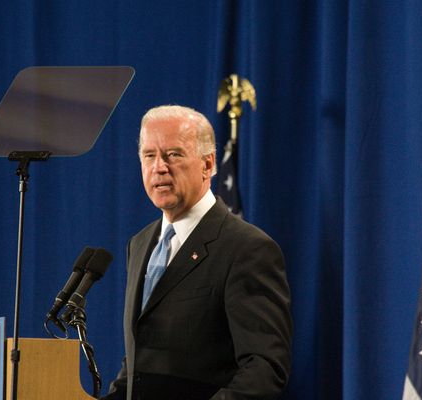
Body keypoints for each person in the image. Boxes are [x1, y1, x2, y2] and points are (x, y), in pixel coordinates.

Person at [102, 105, 292, 400]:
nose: (159, 167)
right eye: (149, 155)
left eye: (173, 154)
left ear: (208, 164)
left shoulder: (247, 248)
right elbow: (139, 366)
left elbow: (264, 370)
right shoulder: (139, 244)